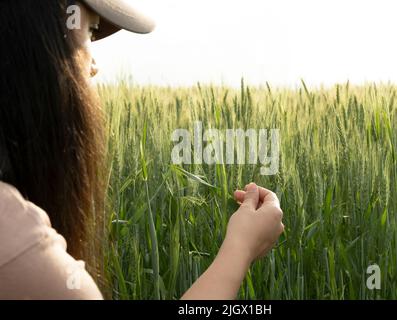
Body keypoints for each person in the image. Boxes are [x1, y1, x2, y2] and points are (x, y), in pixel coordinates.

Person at [0, 0, 284, 300]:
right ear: (29, 43)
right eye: (91, 32)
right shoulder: (19, 246)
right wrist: (240, 248)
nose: (94, 65)